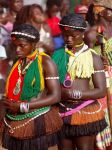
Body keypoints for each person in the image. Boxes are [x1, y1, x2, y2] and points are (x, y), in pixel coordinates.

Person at [2, 23, 63, 150]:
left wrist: (23, 106)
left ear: (34, 44)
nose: (17, 50)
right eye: (15, 46)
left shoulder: (46, 62)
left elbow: (56, 96)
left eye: (22, 46)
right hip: (14, 117)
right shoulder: (17, 61)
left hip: (36, 118)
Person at [52, 13, 107, 150]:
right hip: (61, 110)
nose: (68, 39)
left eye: (73, 35)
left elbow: (101, 90)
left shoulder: (93, 57)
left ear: (83, 33)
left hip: (84, 111)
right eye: (65, 36)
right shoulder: (57, 55)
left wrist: (74, 94)